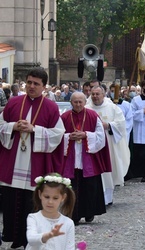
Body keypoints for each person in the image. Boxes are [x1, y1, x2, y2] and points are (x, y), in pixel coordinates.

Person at [0, 68, 65, 248]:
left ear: (44, 86)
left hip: (34, 164)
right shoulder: (14, 102)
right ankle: (11, 237)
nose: (31, 86)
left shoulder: (51, 107)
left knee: (31, 203)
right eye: (29, 82)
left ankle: (28, 240)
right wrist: (13, 126)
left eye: (36, 84)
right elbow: (0, 124)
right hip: (13, 162)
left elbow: (58, 134)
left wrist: (34, 129)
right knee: (10, 201)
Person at [61, 92, 112, 225]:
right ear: (71, 102)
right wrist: (68, 137)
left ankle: (90, 212)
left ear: (84, 102)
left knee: (90, 186)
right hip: (71, 157)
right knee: (72, 186)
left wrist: (85, 135)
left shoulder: (92, 115)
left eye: (80, 102)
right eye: (75, 102)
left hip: (88, 157)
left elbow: (101, 136)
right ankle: (73, 214)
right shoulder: (64, 117)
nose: (78, 104)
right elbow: (57, 135)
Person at [86, 86, 130, 205]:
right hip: (93, 145)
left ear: (103, 94)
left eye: (97, 94)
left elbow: (121, 124)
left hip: (109, 144)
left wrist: (109, 125)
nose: (95, 96)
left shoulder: (112, 108)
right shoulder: (87, 108)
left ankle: (108, 197)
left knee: (107, 171)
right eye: (93, 94)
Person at [26, 173, 76, 250]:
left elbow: (70, 247)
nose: (50, 202)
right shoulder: (33, 218)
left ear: (63, 197)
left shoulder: (68, 223)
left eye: (55, 198)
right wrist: (49, 235)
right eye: (46, 197)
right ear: (40, 194)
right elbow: (31, 239)